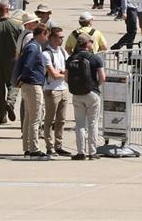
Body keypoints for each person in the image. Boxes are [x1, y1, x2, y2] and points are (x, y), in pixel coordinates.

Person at [66, 35, 105, 160]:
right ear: (87, 44)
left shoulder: (71, 58)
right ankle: (92, 152)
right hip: (92, 93)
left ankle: (80, 152)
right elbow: (102, 78)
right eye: (91, 42)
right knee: (93, 123)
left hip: (77, 94)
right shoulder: (95, 58)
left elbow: (66, 78)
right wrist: (95, 86)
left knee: (80, 124)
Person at [15, 24, 49, 158]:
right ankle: (34, 148)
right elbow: (28, 65)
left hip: (28, 85)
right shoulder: (34, 48)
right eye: (46, 35)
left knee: (29, 118)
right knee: (35, 118)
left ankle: (27, 147)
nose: (46, 39)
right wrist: (22, 78)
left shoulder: (31, 46)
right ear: (42, 34)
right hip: (33, 84)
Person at [42, 27, 70, 156]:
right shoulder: (46, 54)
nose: (62, 40)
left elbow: (68, 70)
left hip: (63, 89)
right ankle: (49, 146)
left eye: (62, 37)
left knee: (61, 120)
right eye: (59, 37)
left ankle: (59, 145)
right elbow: (53, 74)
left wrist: (62, 73)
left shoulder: (63, 52)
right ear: (52, 38)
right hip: (52, 90)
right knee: (49, 120)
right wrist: (62, 73)